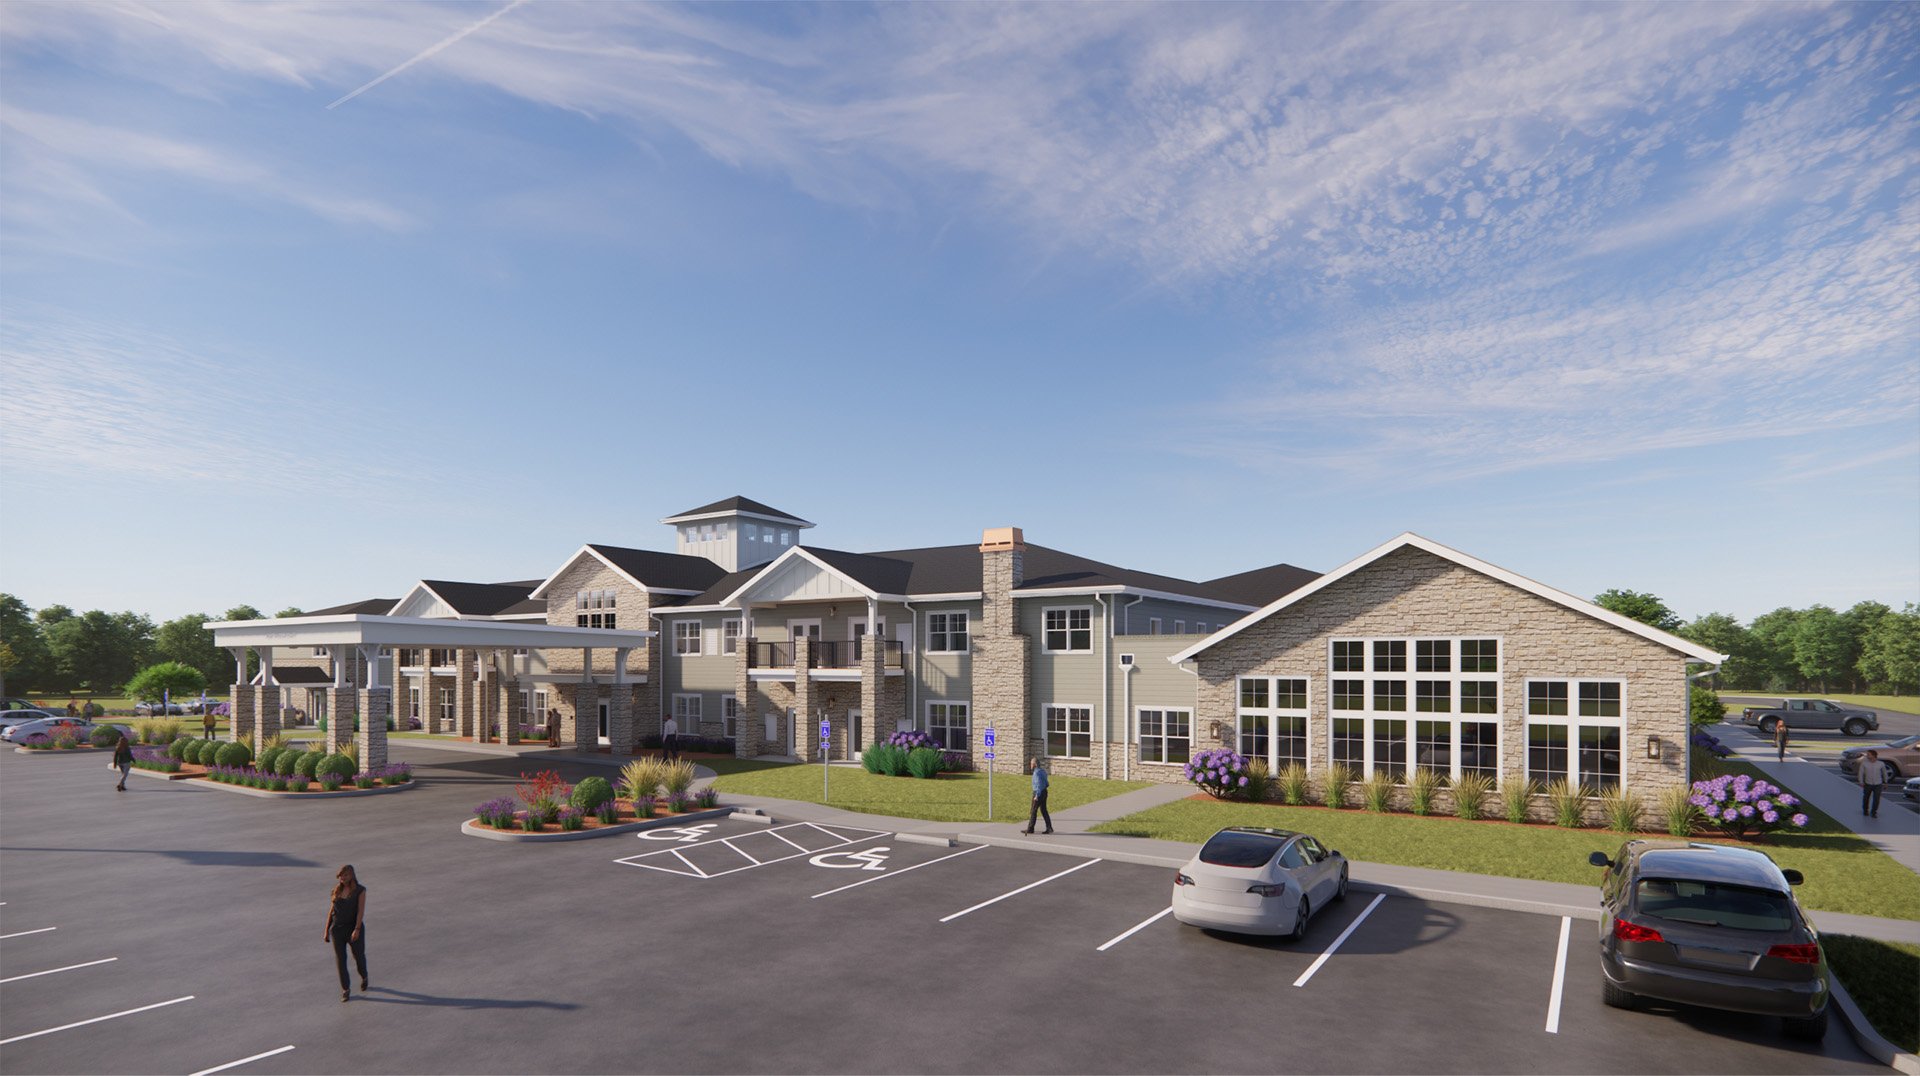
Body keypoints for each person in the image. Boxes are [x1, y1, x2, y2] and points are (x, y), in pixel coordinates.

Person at [323, 865, 369, 1002]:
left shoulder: (360, 890)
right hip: (337, 930)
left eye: (346, 875)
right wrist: (326, 931)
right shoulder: (336, 891)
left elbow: (360, 911)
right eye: (341, 876)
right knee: (340, 960)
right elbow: (331, 912)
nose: (343, 878)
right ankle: (345, 989)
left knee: (358, 956)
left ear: (352, 875)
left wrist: (357, 929)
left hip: (353, 928)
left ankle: (364, 976)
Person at [1023, 758, 1053, 835]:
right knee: (1044, 810)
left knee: (1033, 811)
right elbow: (1047, 783)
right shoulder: (1043, 771)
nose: (1030, 765)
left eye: (1031, 763)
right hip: (1044, 792)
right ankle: (1049, 828)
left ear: (1035, 764)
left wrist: (1037, 795)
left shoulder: (1036, 773)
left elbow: (1038, 785)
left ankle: (1030, 829)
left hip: (1038, 793)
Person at [1859, 749, 1889, 819]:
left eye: (1868, 754)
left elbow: (1884, 773)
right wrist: (1861, 782)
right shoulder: (1864, 763)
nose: (1867, 755)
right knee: (1866, 798)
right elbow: (1860, 773)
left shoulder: (1881, 764)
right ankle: (1865, 810)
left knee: (1876, 799)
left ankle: (1873, 812)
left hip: (1878, 784)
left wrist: (1885, 782)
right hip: (1868, 784)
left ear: (1873, 755)